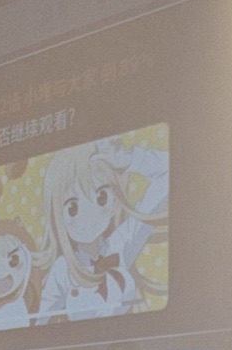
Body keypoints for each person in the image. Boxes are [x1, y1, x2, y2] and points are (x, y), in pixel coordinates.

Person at [33, 134, 168, 323]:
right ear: (57, 215)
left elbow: (168, 173)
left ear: (113, 201)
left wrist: (129, 160)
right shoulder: (62, 269)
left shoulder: (120, 243)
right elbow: (40, 323)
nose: (89, 216)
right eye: (73, 208)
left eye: (101, 197)